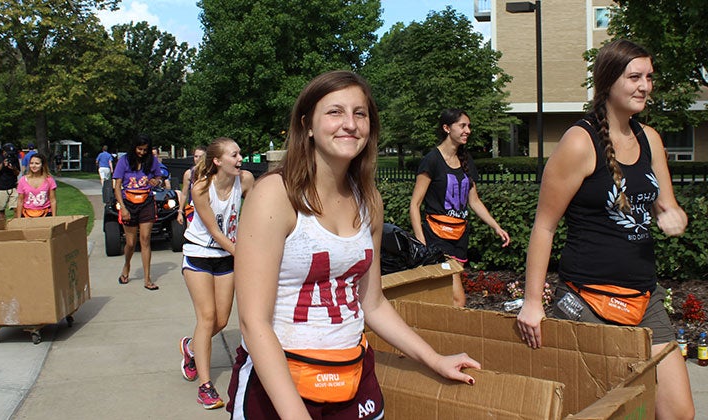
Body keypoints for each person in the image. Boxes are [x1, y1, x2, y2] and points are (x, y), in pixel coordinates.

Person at [228, 70, 480, 419]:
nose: (350, 123)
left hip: (352, 379)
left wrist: (435, 359)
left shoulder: (369, 199)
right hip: (282, 386)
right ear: (308, 125)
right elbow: (253, 321)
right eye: (335, 112)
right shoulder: (274, 194)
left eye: (359, 113)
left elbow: (372, 303)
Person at [514, 39, 693, 419]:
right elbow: (544, 226)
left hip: (645, 299)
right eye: (634, 77)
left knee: (678, 413)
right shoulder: (580, 142)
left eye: (649, 77)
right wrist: (532, 302)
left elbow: (667, 204)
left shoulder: (651, 139)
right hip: (587, 300)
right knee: (608, 412)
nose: (644, 86)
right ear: (609, 81)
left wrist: (674, 215)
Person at [178, 137, 255, 409]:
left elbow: (257, 210)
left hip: (226, 258)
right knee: (207, 316)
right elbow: (214, 231)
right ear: (217, 161)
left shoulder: (244, 180)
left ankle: (190, 348)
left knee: (220, 321)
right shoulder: (201, 188)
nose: (240, 159)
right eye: (234, 155)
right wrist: (244, 254)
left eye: (240, 153)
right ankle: (205, 386)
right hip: (199, 255)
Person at [409, 109, 511, 307]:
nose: (468, 131)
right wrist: (422, 242)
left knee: (445, 298)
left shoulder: (466, 160)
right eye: (462, 126)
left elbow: (474, 201)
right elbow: (415, 204)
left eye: (469, 126)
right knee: (458, 299)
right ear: (447, 128)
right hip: (437, 238)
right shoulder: (432, 160)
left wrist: (496, 227)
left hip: (459, 237)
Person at [113, 135, 164, 290]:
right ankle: (127, 265)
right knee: (130, 242)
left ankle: (147, 279)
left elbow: (159, 176)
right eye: (139, 149)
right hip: (128, 202)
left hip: (146, 202)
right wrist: (123, 207)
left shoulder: (152, 161)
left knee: (145, 238)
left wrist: (157, 181)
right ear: (134, 147)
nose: (142, 152)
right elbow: (117, 186)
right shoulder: (124, 161)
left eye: (145, 150)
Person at [0, 142, 21, 219]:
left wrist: (13, 168)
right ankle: (3, 226)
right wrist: (2, 165)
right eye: (8, 153)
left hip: (12, 186)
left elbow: (17, 173)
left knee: (17, 208)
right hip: (0, 187)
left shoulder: (14, 158)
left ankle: (15, 225)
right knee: (1, 210)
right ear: (3, 151)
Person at [179, 147, 206, 227]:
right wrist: (180, 211)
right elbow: (184, 194)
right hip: (192, 210)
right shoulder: (189, 173)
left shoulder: (211, 173)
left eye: (200, 157)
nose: (197, 159)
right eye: (195, 156)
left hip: (207, 209)